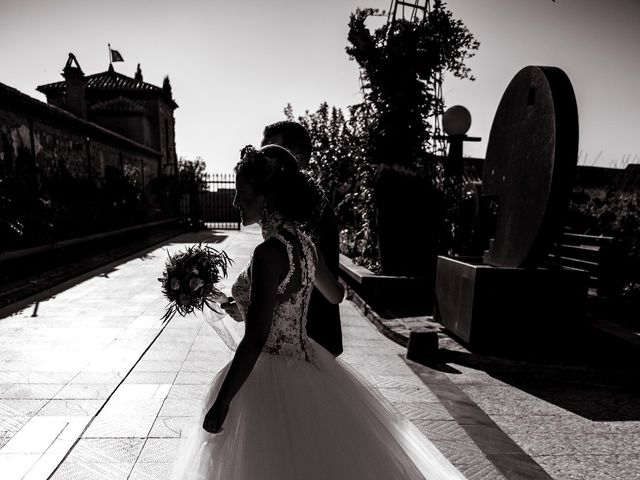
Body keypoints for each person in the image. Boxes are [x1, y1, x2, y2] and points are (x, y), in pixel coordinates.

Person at [170, 144, 467, 480]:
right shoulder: (303, 244)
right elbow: (336, 294)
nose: (236, 202)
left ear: (268, 196)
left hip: (267, 372)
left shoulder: (268, 253)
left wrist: (222, 402)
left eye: (243, 192)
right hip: (309, 363)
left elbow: (256, 338)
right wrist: (248, 303)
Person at [261, 120, 343, 356]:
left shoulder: (309, 210)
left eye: (270, 155)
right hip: (297, 341)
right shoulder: (289, 207)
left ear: (295, 160)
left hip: (310, 341)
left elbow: (302, 274)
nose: (262, 163)